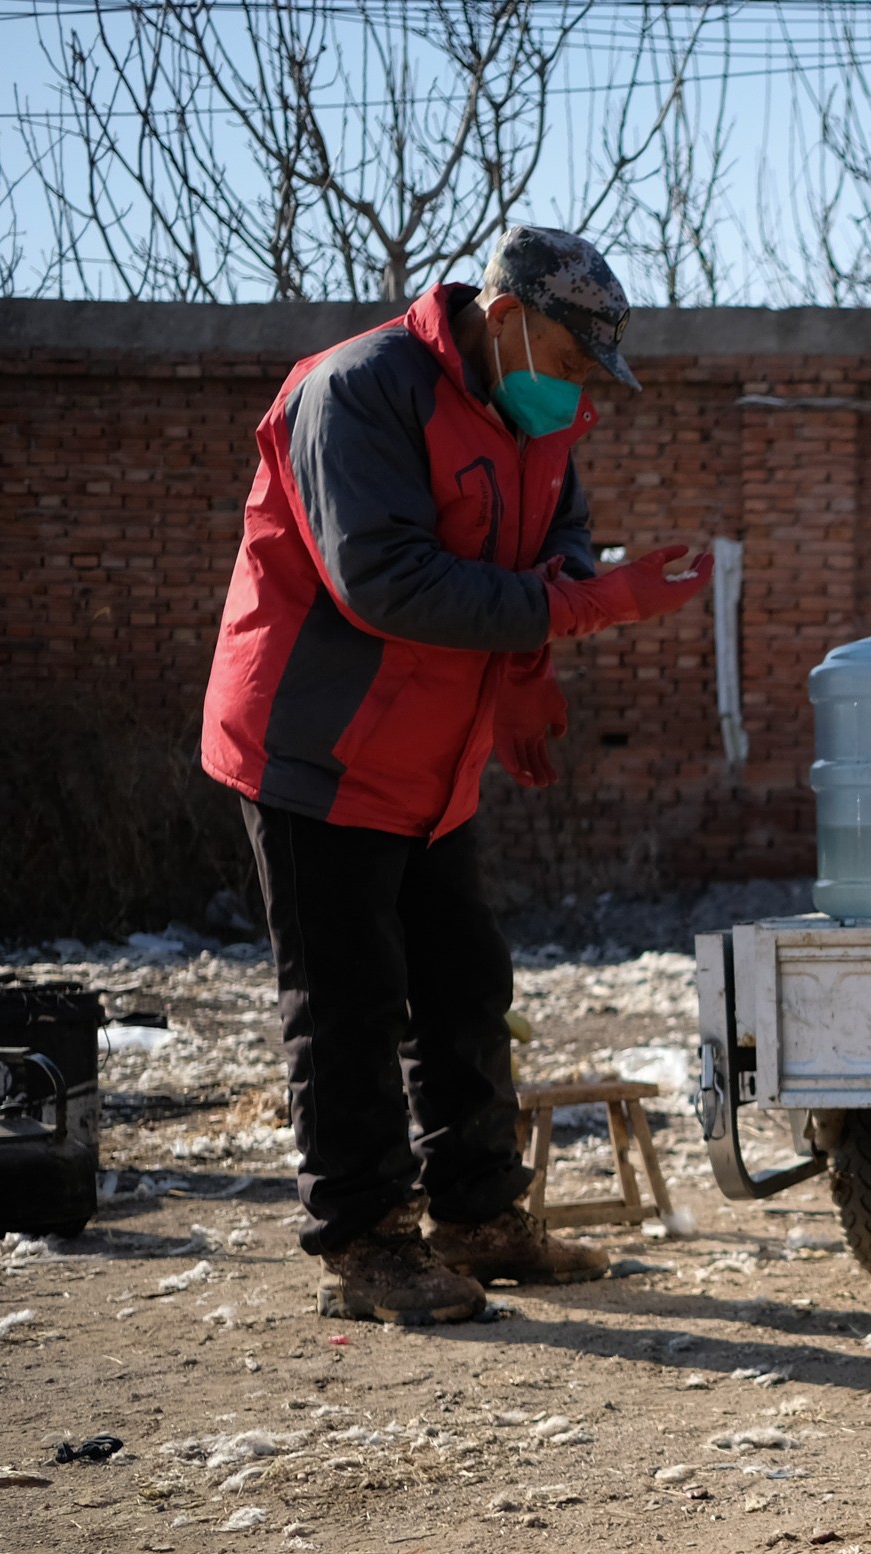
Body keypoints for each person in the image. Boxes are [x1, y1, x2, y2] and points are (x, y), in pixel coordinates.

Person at [201, 226, 713, 1325]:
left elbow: (557, 541)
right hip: (317, 746)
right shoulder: (354, 390)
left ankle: (477, 1212)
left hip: (436, 751)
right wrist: (592, 607)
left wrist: (533, 658)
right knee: (348, 998)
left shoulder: (540, 406)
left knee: (465, 980)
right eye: (572, 369)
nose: (576, 399)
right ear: (511, 318)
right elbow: (385, 582)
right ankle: (365, 1239)